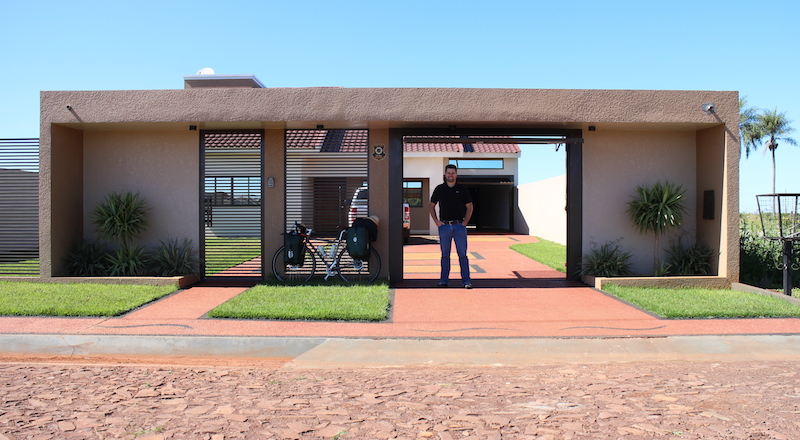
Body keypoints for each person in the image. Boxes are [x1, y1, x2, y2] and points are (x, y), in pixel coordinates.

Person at [429, 164, 474, 288]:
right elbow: (431, 206)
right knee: (445, 255)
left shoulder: (462, 189)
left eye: (453, 173)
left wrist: (465, 223)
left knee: (462, 255)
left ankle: (466, 281)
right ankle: (444, 280)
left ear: (456, 174)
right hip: (444, 227)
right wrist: (437, 222)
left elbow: (469, 206)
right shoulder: (439, 189)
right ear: (445, 174)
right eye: (448, 173)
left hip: (459, 226)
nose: (450, 175)